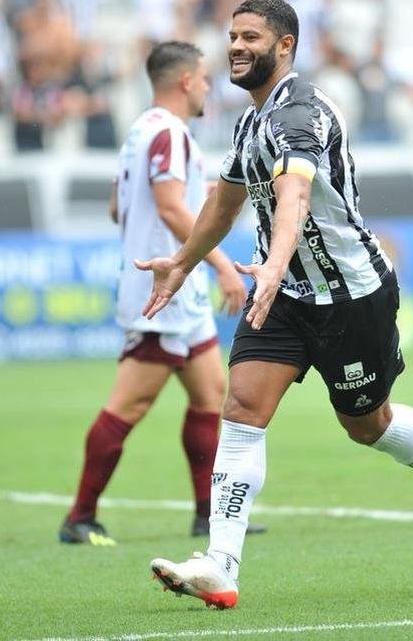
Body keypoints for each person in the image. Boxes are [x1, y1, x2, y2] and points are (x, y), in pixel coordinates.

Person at [141, 0, 413, 609]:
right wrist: (184, 262)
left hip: (351, 296)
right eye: (233, 36)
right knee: (242, 407)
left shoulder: (302, 114)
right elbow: (224, 202)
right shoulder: (250, 123)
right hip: (285, 295)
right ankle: (221, 564)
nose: (236, 47)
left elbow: (294, 195)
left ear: (285, 45)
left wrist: (272, 262)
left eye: (251, 37)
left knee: (366, 425)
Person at [59, 41, 251, 545]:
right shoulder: (170, 133)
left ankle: (209, 515)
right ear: (186, 81)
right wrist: (222, 264)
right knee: (129, 405)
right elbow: (167, 206)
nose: (208, 86)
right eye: (204, 78)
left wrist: (195, 201)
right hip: (160, 292)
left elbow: (117, 208)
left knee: (210, 394)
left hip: (178, 292)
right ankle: (79, 517)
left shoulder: (141, 130)